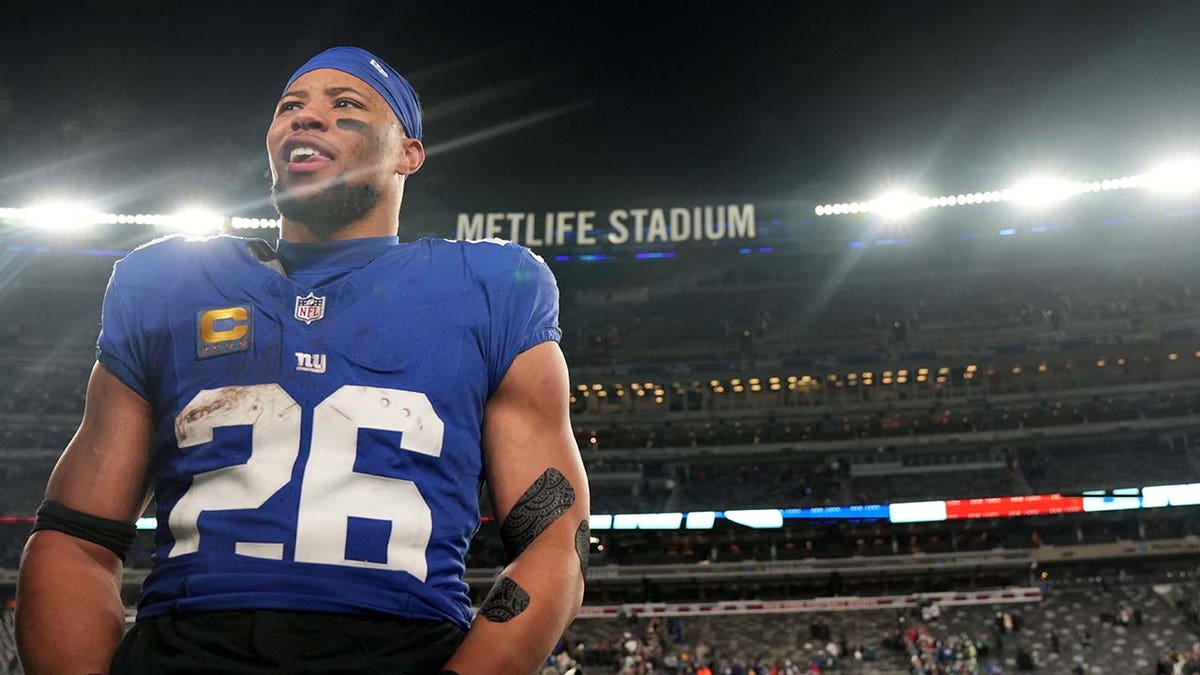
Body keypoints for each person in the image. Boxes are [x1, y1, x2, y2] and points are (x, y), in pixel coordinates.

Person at [15, 46, 589, 674]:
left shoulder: (491, 286)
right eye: (290, 106)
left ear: (408, 153)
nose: (305, 117)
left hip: (402, 649)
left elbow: (554, 540)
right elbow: (77, 536)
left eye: (345, 106)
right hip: (186, 646)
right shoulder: (167, 281)